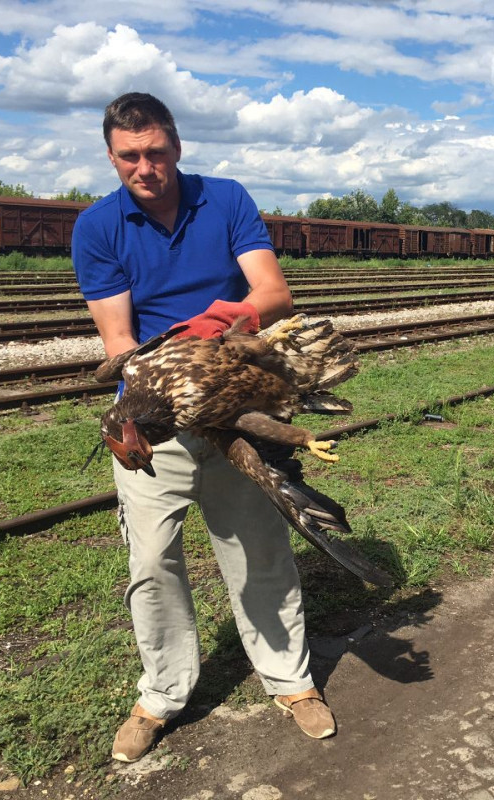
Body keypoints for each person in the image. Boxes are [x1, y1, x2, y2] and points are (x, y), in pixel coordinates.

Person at [72, 92, 335, 763]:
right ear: (111, 157)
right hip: (153, 420)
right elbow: (119, 340)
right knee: (151, 563)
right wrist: (149, 403)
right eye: (129, 156)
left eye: (155, 152)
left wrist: (215, 325)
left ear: (177, 147)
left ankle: (291, 681)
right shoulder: (98, 227)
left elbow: (274, 294)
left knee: (259, 548)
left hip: (234, 406)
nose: (145, 167)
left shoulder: (225, 199)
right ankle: (160, 695)